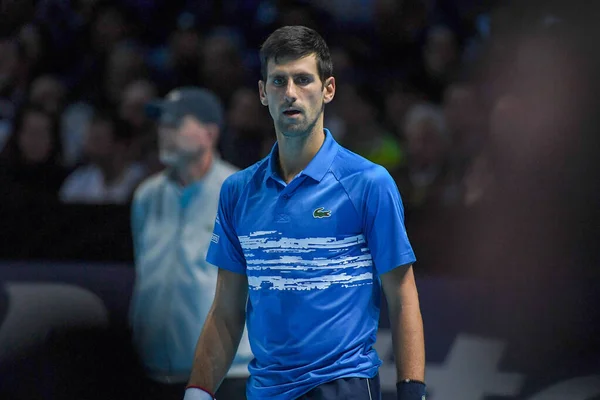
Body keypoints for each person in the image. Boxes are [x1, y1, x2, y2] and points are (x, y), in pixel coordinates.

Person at [184, 26, 427, 400]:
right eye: (279, 81)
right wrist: (198, 392)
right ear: (263, 93)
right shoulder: (237, 191)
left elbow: (402, 294)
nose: (291, 93)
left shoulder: (369, 183)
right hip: (264, 391)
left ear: (328, 89)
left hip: (343, 386)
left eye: (303, 80)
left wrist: (412, 393)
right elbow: (226, 310)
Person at [129, 87, 252, 400]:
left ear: (210, 133)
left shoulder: (241, 193)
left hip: (228, 377)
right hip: (156, 373)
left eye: (176, 123)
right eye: (162, 123)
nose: (164, 131)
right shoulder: (146, 195)